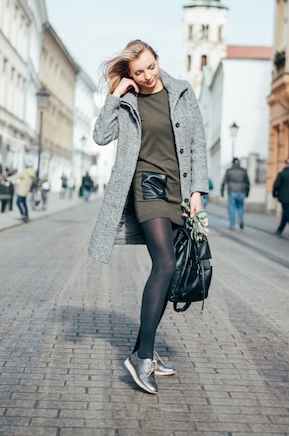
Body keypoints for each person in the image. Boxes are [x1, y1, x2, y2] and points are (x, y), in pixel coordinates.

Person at [88, 39, 208, 395]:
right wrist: (116, 94)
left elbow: (198, 142)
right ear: (130, 74)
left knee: (169, 268)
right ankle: (143, 358)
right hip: (147, 185)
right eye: (138, 73)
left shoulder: (183, 92)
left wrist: (198, 191)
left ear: (158, 59)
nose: (146, 77)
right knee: (166, 263)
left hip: (180, 189)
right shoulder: (128, 99)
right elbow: (100, 136)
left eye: (150, 68)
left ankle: (144, 349)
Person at [220, 158, 250, 230]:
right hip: (241, 191)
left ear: (232, 163)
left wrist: (222, 191)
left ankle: (232, 225)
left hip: (232, 191)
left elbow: (223, 182)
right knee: (240, 207)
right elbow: (248, 182)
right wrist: (247, 192)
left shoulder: (229, 171)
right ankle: (240, 220)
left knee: (232, 208)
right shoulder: (243, 171)